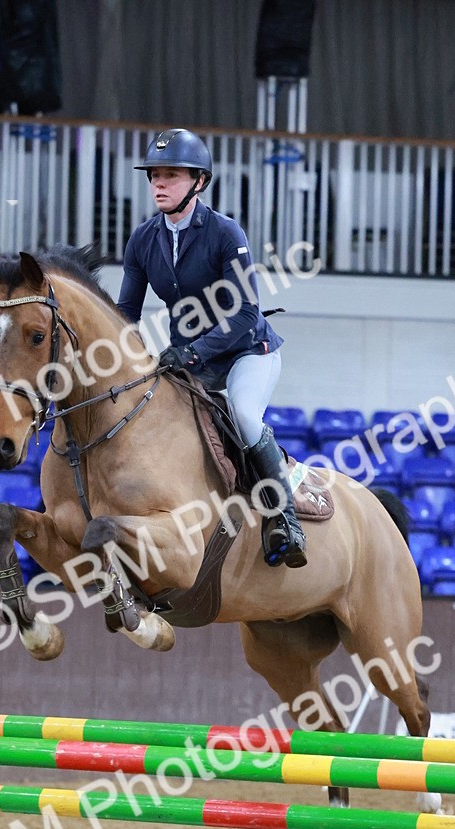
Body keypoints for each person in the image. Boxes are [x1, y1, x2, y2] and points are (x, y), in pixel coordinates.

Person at [117, 128, 306, 568]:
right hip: (190, 360)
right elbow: (126, 311)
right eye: (154, 176)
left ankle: (286, 520)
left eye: (172, 175)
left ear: (199, 182)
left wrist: (191, 353)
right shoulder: (143, 239)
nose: (159, 184)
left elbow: (243, 314)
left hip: (247, 351)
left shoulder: (225, 233)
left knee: (242, 414)